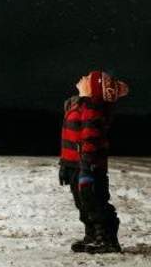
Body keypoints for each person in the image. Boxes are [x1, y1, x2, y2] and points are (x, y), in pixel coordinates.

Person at [58, 70, 129, 254]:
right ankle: (92, 235)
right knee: (83, 203)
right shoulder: (80, 104)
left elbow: (89, 140)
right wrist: (65, 165)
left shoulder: (92, 108)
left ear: (93, 89)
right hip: (75, 165)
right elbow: (71, 137)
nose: (83, 78)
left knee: (95, 201)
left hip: (89, 166)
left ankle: (107, 239)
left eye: (88, 78)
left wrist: (87, 169)